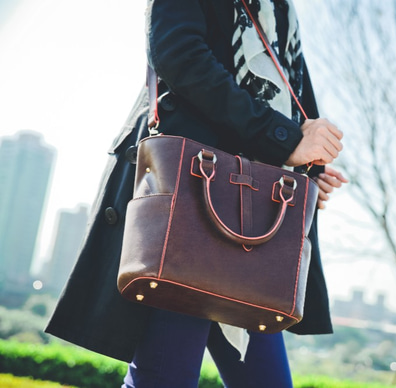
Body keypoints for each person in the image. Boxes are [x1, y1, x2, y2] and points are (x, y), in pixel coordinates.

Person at [46, 0, 347, 386]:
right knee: (166, 376)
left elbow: (294, 98)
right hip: (188, 205)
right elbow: (182, 59)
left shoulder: (281, 10)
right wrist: (285, 140)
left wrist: (310, 170)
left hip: (260, 226)